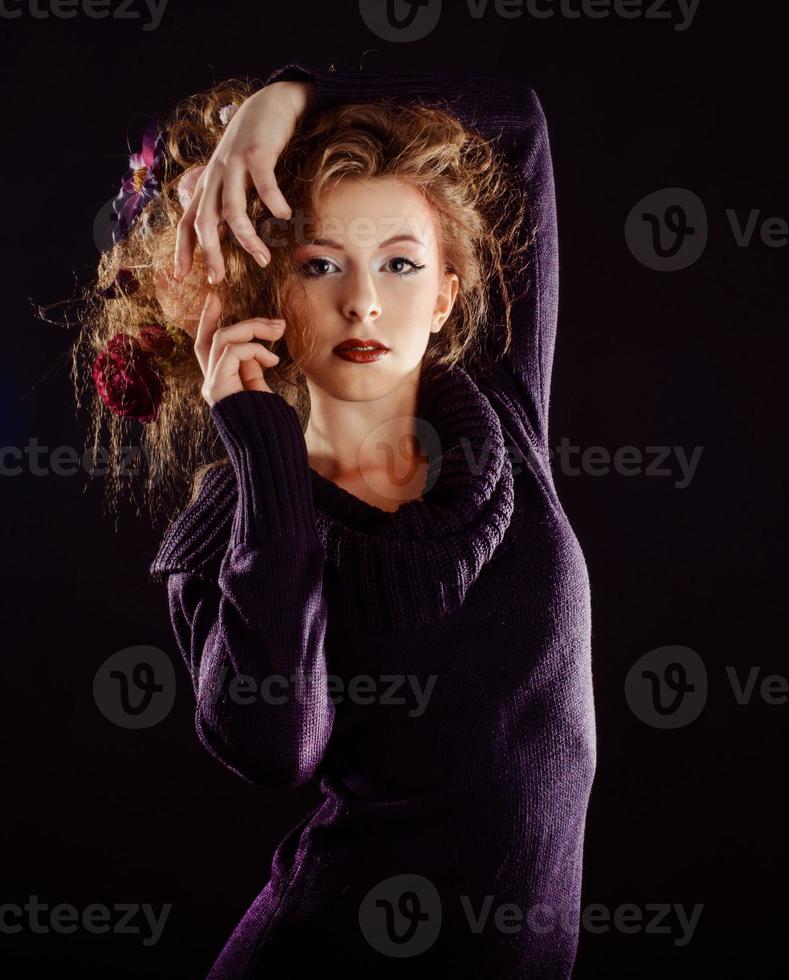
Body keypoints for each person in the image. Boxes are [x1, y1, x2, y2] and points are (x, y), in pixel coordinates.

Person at [78, 63, 597, 976]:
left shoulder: (505, 416)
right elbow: (279, 745)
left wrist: (285, 99)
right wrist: (263, 455)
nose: (363, 301)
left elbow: (515, 117)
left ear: (444, 294)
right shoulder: (229, 526)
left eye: (400, 263)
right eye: (320, 264)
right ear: (270, 295)